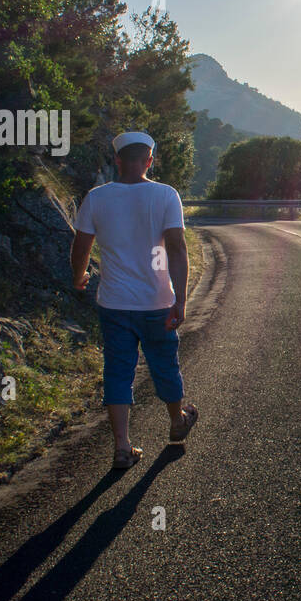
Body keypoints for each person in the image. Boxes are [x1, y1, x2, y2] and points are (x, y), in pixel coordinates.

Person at [70, 131, 198, 469]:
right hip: (156, 302)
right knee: (164, 364)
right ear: (149, 161)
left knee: (117, 371)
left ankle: (123, 447)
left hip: (113, 304)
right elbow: (177, 249)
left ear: (117, 160)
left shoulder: (96, 198)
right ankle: (176, 420)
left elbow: (80, 248)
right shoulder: (166, 195)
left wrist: (78, 276)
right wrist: (180, 300)